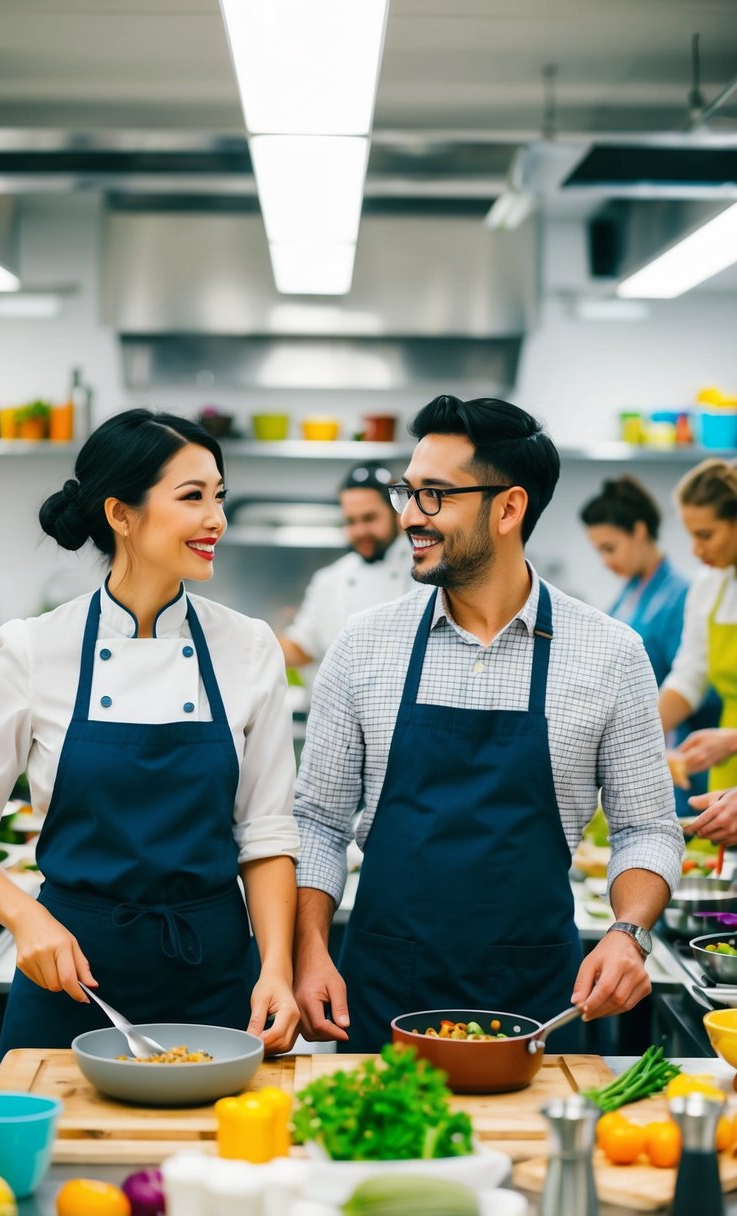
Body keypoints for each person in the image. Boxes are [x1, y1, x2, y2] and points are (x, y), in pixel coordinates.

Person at [292, 394, 683, 1054]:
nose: (410, 517)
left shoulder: (609, 653)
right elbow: (318, 823)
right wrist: (307, 950)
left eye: (434, 495)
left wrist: (626, 933)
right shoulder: (363, 645)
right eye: (407, 493)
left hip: (540, 997)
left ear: (508, 507)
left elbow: (645, 827)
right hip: (384, 987)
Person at [0, 409, 300, 1056]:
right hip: (71, 975)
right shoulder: (33, 649)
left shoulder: (247, 647)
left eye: (219, 497)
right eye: (192, 497)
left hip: (215, 976)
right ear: (120, 514)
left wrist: (276, 968)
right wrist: (26, 921)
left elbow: (266, 834)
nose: (216, 519)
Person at [579, 475, 720, 811]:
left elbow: (696, 687)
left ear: (640, 532)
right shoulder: (630, 593)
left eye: (610, 548)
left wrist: (633, 736)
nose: (605, 561)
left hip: (676, 756)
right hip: (640, 747)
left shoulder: (679, 597)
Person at [278, 461, 416, 670]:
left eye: (369, 518)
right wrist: (255, 642)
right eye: (351, 521)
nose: (360, 531)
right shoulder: (330, 579)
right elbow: (303, 646)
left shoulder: (425, 572)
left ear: (398, 514)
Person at [659, 459, 737, 791]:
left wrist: (733, 740)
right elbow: (689, 677)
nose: (696, 550)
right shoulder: (709, 587)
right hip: (728, 770)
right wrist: (633, 734)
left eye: (706, 534)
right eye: (692, 535)